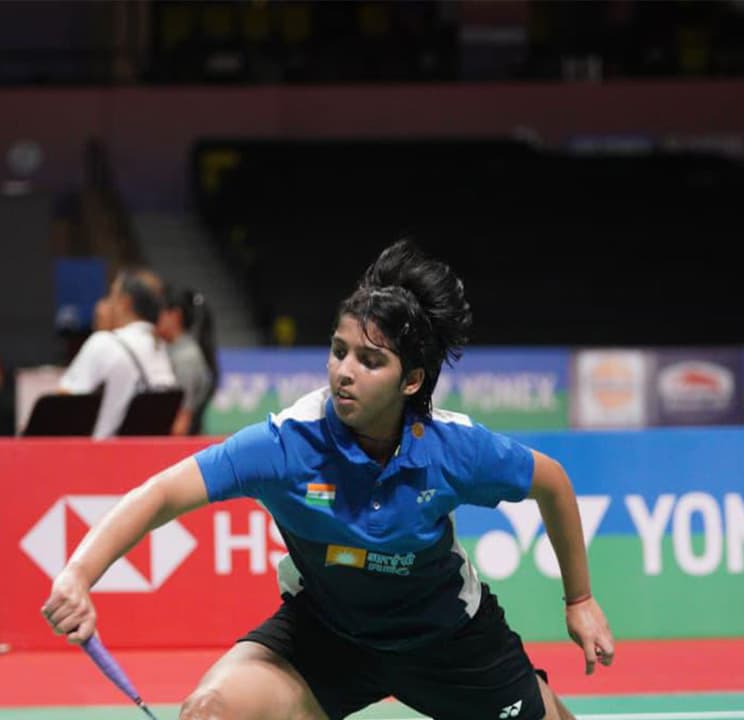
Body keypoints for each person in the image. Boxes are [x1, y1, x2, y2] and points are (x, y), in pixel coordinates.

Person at [41, 240, 614, 719]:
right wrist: (78, 574)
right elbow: (162, 493)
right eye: (339, 351)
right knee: (210, 711)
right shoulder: (287, 444)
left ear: (411, 381)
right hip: (327, 636)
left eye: (370, 361)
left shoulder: (452, 447)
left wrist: (580, 600)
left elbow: (552, 482)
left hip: (448, 640)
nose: (344, 372)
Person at [57, 266, 176, 439]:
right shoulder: (161, 347)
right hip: (148, 452)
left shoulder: (104, 342)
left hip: (101, 451)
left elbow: (62, 405)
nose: (102, 305)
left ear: (125, 303)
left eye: (110, 296)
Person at [158, 285, 216, 436]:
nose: (154, 319)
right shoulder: (172, 350)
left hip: (183, 445)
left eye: (159, 312)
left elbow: (181, 423)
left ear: (175, 316)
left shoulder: (186, 357)